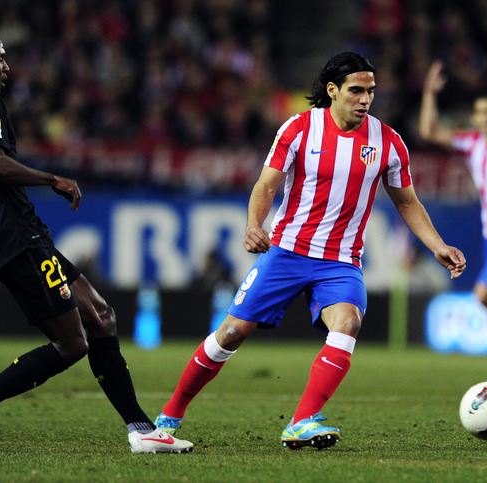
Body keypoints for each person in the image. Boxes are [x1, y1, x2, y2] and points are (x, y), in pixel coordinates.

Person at [152, 51, 466, 450]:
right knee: (231, 333)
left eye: (370, 91)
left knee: (348, 323)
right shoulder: (299, 129)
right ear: (332, 90)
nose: (365, 99)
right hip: (287, 251)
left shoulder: (388, 142)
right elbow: (266, 186)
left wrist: (437, 245)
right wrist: (253, 225)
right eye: (356, 90)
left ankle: (302, 421)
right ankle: (168, 418)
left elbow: (407, 202)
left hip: (341, 260)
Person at [0, 29, 192, 454]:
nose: (6, 67)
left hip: (6, 239)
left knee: (101, 316)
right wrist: (53, 179)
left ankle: (141, 430)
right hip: (14, 237)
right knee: (72, 343)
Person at [420, 60, 487, 387]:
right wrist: (429, 93)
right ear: (476, 118)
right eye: (481, 113)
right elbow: (429, 132)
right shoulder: (473, 145)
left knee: (483, 294)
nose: (486, 118)